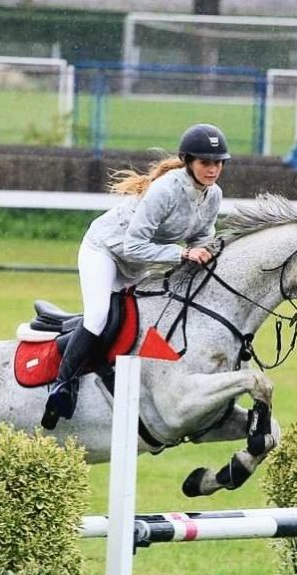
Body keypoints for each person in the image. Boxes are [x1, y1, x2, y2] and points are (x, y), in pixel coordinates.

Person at [41, 122, 230, 429]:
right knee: (100, 315)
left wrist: (205, 253)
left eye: (218, 162)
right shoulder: (165, 190)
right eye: (205, 162)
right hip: (105, 251)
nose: (213, 169)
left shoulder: (213, 195)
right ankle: (62, 385)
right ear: (188, 162)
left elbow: (200, 237)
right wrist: (182, 254)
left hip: (138, 262)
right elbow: (134, 245)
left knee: (140, 320)